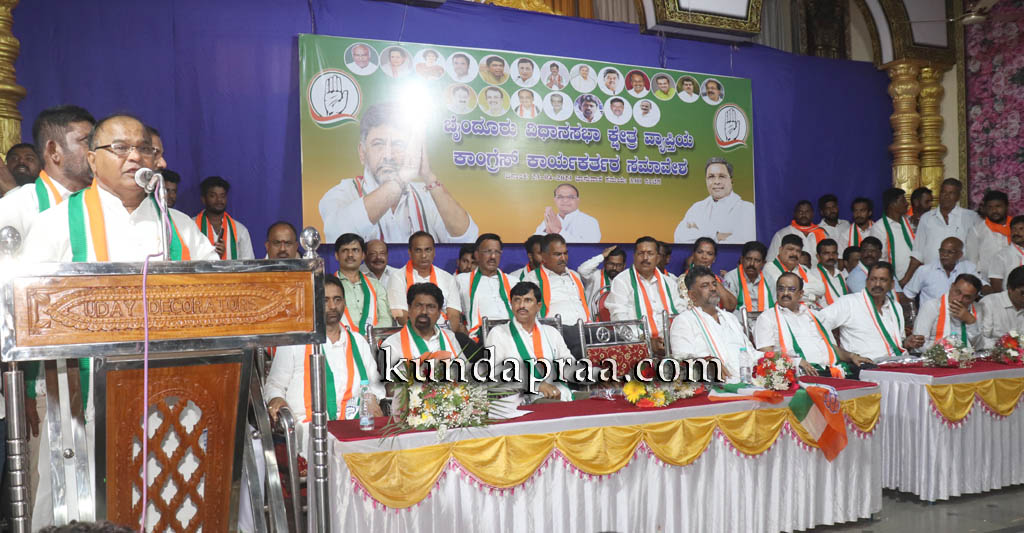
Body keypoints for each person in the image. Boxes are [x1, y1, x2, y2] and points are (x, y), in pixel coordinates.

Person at [21, 114, 218, 530]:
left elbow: (221, 300)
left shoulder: (180, 227)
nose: (135, 157)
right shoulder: (57, 223)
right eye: (121, 148)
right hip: (84, 407)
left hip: (174, 407)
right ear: (93, 160)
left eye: (144, 148)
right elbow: (28, 312)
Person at [318, 102, 479, 244]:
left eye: (398, 144)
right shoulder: (341, 194)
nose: (388, 155)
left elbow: (467, 238)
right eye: (378, 144)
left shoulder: (428, 193)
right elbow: (338, 234)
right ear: (362, 152)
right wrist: (401, 179)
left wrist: (428, 176)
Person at [265, 275, 384, 453]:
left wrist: (373, 398)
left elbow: (375, 384)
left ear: (344, 303)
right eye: (325, 300)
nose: (332, 306)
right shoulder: (296, 341)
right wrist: (276, 399)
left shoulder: (358, 341)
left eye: (337, 299)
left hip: (355, 425)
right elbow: (274, 385)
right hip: (309, 429)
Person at [0, 105, 95, 242]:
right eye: (87, 141)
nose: (96, 150)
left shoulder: (112, 203)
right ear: (53, 151)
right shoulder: (15, 207)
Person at [755, 273, 872, 377]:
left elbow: (830, 347)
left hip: (832, 370)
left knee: (870, 371)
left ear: (801, 294)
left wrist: (851, 356)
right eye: (781, 289)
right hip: (799, 374)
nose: (785, 293)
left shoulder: (814, 315)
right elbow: (766, 354)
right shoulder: (767, 318)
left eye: (791, 289)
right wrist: (796, 361)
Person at [817, 262, 925, 360]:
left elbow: (895, 343)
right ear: (866, 281)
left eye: (883, 280)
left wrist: (906, 343)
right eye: (873, 279)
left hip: (895, 364)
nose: (877, 284)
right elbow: (816, 324)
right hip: (864, 367)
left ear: (892, 284)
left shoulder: (895, 307)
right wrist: (846, 355)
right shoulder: (849, 302)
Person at [487, 281, 574, 400]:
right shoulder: (499, 334)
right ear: (511, 305)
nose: (521, 305)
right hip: (523, 400)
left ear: (539, 306)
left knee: (594, 400)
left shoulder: (551, 333)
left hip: (559, 393)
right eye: (517, 300)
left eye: (528, 300)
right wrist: (536, 385)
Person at [670, 266, 759, 380]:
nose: (712, 288)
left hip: (747, 380)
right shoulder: (684, 321)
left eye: (714, 284)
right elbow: (681, 361)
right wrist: (706, 363)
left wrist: (771, 359)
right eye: (705, 285)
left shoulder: (730, 318)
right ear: (692, 295)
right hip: (712, 384)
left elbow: (751, 353)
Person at [606, 236, 684, 355]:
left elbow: (680, 313)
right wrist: (645, 341)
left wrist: (673, 339)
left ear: (658, 258)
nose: (645, 258)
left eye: (650, 254)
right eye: (641, 253)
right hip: (636, 346)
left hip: (672, 343)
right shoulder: (621, 281)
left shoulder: (669, 283)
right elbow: (619, 320)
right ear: (634, 256)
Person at [523, 233, 590, 357]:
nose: (563, 258)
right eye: (557, 254)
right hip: (556, 331)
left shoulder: (574, 276)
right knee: (578, 340)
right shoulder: (532, 279)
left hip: (585, 327)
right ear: (544, 256)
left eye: (565, 253)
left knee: (614, 338)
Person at [387, 231, 463, 331]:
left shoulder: (448, 278)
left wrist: (441, 336)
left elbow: (454, 316)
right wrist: (425, 335)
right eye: (418, 250)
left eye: (428, 250)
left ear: (434, 252)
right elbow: (401, 316)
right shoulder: (397, 277)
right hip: (411, 333)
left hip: (443, 333)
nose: (423, 255)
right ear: (410, 252)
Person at [673, 157, 755, 244]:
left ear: (731, 180)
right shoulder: (697, 208)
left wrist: (698, 233)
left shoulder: (747, 209)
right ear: (706, 180)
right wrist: (716, 235)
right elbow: (679, 237)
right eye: (711, 177)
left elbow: (744, 241)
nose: (716, 182)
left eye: (722, 176)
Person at [382, 282, 464, 360]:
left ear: (439, 312)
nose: (424, 311)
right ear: (409, 309)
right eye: (418, 306)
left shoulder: (449, 337)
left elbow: (464, 367)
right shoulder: (391, 345)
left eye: (431, 307)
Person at [333, 233, 394, 335]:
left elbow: (385, 319)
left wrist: (369, 337)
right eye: (345, 250)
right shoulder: (328, 286)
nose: (350, 255)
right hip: (340, 340)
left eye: (355, 250)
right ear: (336, 256)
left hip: (373, 340)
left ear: (363, 256)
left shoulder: (376, 285)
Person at [912, 178, 980, 266]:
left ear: (958, 197)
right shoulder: (926, 218)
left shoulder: (971, 217)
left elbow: (976, 251)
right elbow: (918, 252)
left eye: (951, 193)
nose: (946, 196)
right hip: (931, 271)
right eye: (943, 192)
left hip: (961, 272)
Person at [457, 233, 514, 337]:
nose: (493, 256)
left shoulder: (513, 281)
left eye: (497, 252)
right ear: (477, 255)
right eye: (488, 251)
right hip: (479, 337)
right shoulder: (461, 280)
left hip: (512, 334)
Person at [912, 274, 983, 350]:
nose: (959, 299)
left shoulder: (977, 309)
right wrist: (942, 353)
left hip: (967, 355)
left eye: (967, 297)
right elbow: (918, 343)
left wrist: (971, 321)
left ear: (975, 297)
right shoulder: (932, 306)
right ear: (952, 286)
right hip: (934, 354)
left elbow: (977, 346)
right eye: (957, 292)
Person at [902, 237, 979, 304]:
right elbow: (908, 295)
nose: (944, 255)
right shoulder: (924, 271)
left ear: (960, 255)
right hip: (930, 315)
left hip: (958, 315)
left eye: (950, 252)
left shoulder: (968, 269)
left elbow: (978, 292)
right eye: (942, 251)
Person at [194, 176, 255, 260]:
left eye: (222, 196)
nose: (219, 200)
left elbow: (248, 263)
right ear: (203, 199)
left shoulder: (240, 230)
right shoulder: (192, 226)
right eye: (213, 196)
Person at [869, 187, 920, 286]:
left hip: (917, 277)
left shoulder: (910, 222)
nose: (907, 204)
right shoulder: (879, 227)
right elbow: (880, 258)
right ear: (892, 204)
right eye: (903, 201)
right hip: (896, 281)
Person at [764, 234, 825, 306]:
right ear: (780, 250)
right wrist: (812, 297)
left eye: (798, 251)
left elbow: (821, 289)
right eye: (790, 249)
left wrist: (795, 290)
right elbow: (785, 295)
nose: (794, 254)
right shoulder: (769, 268)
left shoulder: (803, 269)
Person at [966, 190, 1012, 282]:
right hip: (987, 282)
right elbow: (972, 261)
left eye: (998, 206)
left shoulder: (1017, 228)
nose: (994, 210)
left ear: (1007, 206)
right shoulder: (977, 230)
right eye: (990, 207)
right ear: (985, 208)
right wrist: (982, 284)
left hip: (1016, 281)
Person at [532, 183, 601, 242]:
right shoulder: (550, 220)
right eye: (560, 197)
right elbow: (534, 242)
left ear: (578, 200)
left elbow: (589, 247)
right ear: (555, 200)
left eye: (571, 197)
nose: (565, 200)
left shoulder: (590, 221)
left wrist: (558, 231)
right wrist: (547, 231)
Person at [722, 241, 774, 319]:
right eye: (748, 259)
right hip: (740, 323)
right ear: (742, 259)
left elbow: (775, 306)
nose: (752, 264)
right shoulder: (731, 277)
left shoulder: (768, 278)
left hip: (766, 322)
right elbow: (730, 308)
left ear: (763, 263)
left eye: (757, 260)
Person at [767, 200, 827, 264]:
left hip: (819, 270)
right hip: (792, 270)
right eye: (800, 212)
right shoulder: (781, 234)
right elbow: (771, 261)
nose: (804, 214)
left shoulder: (822, 233)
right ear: (794, 214)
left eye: (807, 211)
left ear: (812, 214)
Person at [979, 266, 1024, 348]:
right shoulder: (989, 303)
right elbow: (980, 338)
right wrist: (1004, 347)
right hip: (993, 352)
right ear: (1010, 289)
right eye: (1023, 293)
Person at [685, 237, 735, 310]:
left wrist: (714, 282)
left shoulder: (718, 279)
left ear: (714, 259)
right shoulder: (683, 279)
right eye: (700, 252)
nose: (704, 257)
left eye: (709, 254)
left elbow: (730, 307)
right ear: (693, 255)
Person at [577, 245, 627, 310]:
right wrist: (602, 256)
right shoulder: (595, 275)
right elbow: (582, 270)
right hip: (593, 316)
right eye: (611, 264)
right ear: (604, 263)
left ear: (624, 266)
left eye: (618, 265)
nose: (614, 268)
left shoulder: (626, 281)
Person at [985, 215, 1024, 293]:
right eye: (1013, 229)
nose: (1016, 232)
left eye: (1021, 229)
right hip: (1010, 299)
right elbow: (996, 286)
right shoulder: (1000, 256)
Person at [815, 238, 848, 306]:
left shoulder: (840, 274)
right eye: (826, 253)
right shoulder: (813, 275)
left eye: (834, 253)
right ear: (818, 256)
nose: (831, 257)